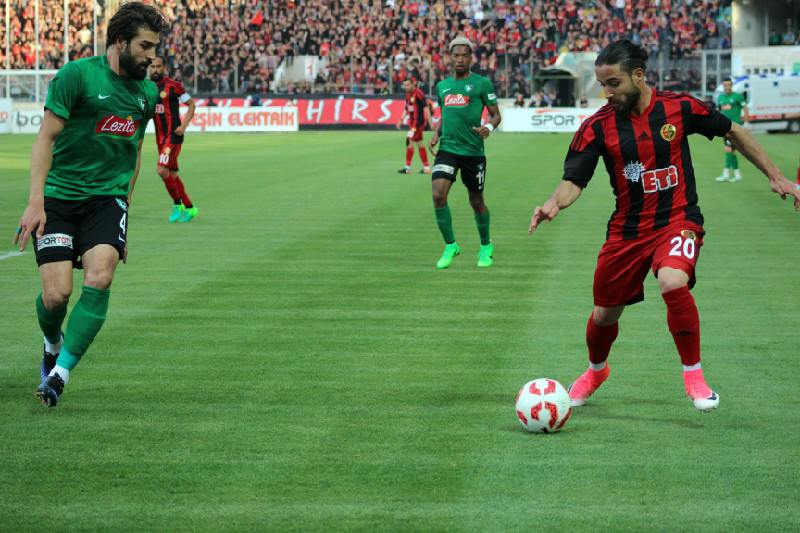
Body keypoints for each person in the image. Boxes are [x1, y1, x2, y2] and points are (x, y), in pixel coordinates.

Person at [529, 39, 800, 413]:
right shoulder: (596, 127)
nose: (606, 93)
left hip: (678, 219)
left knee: (672, 280)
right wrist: (552, 204)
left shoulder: (679, 106)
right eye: (602, 84)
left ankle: (694, 376)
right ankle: (596, 371)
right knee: (604, 315)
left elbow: (733, 130)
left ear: (638, 75)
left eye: (614, 83)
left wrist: (775, 175)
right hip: (627, 231)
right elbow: (574, 181)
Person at [13, 1, 164, 407]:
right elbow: (45, 138)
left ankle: (59, 374)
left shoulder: (147, 93)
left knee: (100, 277)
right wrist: (36, 202)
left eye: (156, 47)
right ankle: (52, 343)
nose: (152, 56)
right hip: (59, 198)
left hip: (107, 201)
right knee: (56, 296)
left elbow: (134, 153)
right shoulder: (76, 76)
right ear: (120, 42)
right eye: (145, 46)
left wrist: (124, 213)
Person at [428, 37, 501, 269]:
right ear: (450, 58)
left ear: (471, 58)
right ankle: (451, 245)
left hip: (473, 151)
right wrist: (436, 133)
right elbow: (445, 114)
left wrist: (488, 127)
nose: (460, 59)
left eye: (464, 55)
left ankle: (486, 246)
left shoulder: (482, 84)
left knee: (476, 201)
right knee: (438, 195)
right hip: (448, 149)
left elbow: (496, 115)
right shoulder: (443, 86)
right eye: (456, 55)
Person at [149, 55, 199, 222]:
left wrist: (183, 126)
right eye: (152, 67)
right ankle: (190, 207)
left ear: (164, 68)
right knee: (172, 174)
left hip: (173, 136)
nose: (155, 70)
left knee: (161, 170)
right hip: (160, 138)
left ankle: (177, 204)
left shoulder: (173, 86)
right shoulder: (147, 87)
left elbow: (191, 104)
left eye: (158, 66)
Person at [715, 77, 749, 182]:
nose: (727, 87)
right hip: (725, 128)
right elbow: (718, 110)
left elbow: (745, 109)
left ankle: (726, 173)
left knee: (728, 149)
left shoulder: (738, 97)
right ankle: (737, 174)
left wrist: (746, 124)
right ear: (723, 86)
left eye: (729, 85)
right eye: (725, 85)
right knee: (732, 151)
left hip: (735, 127)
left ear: (732, 85)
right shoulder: (721, 97)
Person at [396, 76, 432, 174]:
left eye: (408, 85)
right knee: (419, 143)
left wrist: (430, 122)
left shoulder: (418, 93)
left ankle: (407, 168)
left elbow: (426, 108)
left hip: (417, 123)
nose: (406, 87)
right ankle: (427, 167)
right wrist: (401, 119)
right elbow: (407, 109)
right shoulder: (407, 95)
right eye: (405, 85)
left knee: (409, 140)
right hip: (412, 123)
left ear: (413, 84)